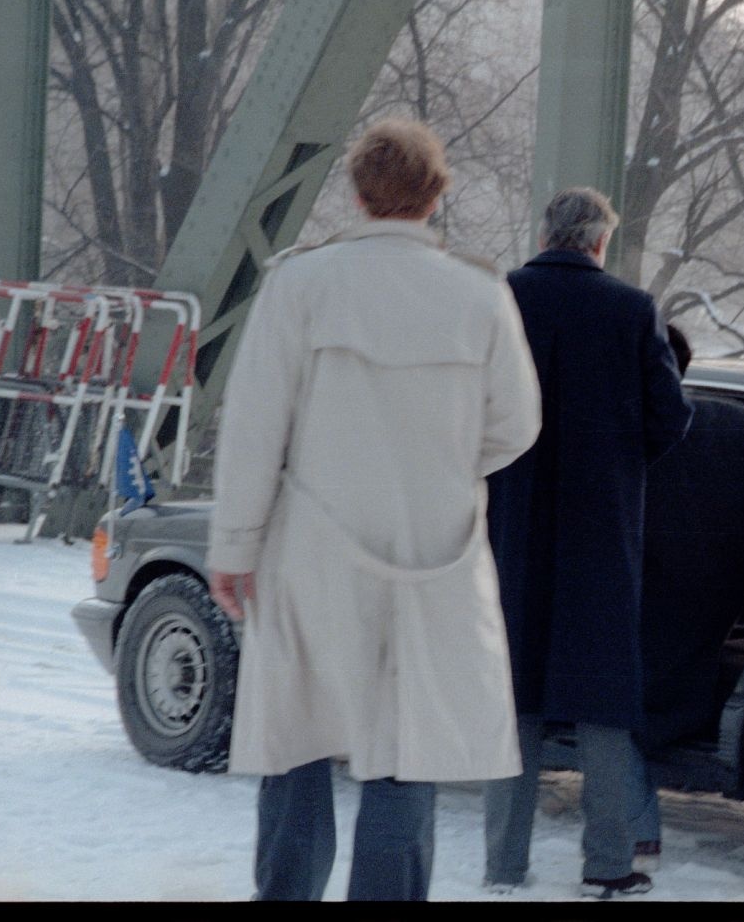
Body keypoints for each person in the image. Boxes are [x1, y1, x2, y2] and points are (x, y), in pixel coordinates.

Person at [205, 118, 542, 902]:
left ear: (357, 195)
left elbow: (257, 426)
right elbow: (517, 425)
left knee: (297, 738)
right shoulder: (480, 292)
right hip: (435, 552)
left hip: (312, 548)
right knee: (406, 748)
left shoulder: (300, 283)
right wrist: (448, 464)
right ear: (436, 194)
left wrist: (235, 548)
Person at [483, 187, 693, 899]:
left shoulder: (505, 297)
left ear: (547, 234)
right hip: (601, 532)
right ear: (600, 242)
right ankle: (605, 864)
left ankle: (504, 864)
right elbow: (672, 418)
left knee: (515, 698)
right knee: (602, 699)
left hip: (513, 524)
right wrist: (619, 461)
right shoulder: (632, 310)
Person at [627, 325, 744, 869]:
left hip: (643, 603)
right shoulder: (732, 424)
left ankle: (635, 836)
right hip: (718, 603)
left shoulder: (629, 427)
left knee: (617, 722)